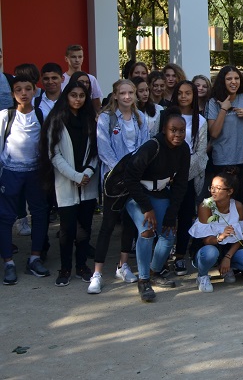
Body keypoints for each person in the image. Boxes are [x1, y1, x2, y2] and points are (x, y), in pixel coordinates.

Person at [88, 79, 151, 294]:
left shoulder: (140, 118)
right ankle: (97, 273)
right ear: (114, 95)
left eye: (130, 93)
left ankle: (122, 265)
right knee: (108, 224)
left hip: (134, 179)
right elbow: (104, 149)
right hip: (114, 181)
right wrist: (121, 172)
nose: (126, 97)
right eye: (122, 93)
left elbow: (144, 147)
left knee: (130, 223)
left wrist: (134, 173)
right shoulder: (106, 118)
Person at [122, 110, 191, 302]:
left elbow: (181, 184)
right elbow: (130, 177)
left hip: (161, 192)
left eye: (182, 130)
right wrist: (146, 208)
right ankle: (143, 280)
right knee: (146, 231)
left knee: (168, 233)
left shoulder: (184, 149)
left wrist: (172, 213)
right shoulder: (152, 146)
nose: (178, 134)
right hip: (137, 195)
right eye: (173, 130)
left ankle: (154, 271)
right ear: (164, 130)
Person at [42, 79, 98, 286]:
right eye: (74, 95)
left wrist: (89, 172)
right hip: (66, 182)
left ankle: (82, 266)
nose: (78, 99)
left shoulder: (90, 120)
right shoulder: (56, 120)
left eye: (82, 96)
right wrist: (75, 176)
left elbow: (95, 151)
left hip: (87, 184)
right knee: (67, 230)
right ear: (66, 96)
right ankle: (65, 268)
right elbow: (54, 155)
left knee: (84, 228)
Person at [0, 75, 50, 284]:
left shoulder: (41, 114)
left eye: (28, 89)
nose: (23, 93)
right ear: (13, 94)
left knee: (39, 214)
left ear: (34, 91)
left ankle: (35, 258)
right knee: (5, 217)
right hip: (10, 173)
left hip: (35, 173)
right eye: (18, 89)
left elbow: (48, 144)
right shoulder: (6, 115)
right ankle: (9, 263)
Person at [188, 172, 243, 293]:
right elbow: (206, 241)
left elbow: (240, 237)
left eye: (218, 188)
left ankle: (228, 267)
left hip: (229, 249)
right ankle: (202, 275)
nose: (213, 191)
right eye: (212, 187)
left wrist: (227, 257)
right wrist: (220, 237)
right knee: (211, 252)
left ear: (230, 191)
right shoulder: (205, 206)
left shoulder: (237, 206)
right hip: (208, 249)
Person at [169, 80, 209, 277]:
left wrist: (182, 175)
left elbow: (201, 153)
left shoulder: (200, 121)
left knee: (185, 217)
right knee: (166, 217)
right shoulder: (165, 116)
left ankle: (180, 256)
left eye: (188, 93)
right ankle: (162, 255)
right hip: (164, 176)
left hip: (187, 177)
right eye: (180, 93)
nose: (183, 96)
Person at [206, 65, 243, 203]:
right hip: (222, 161)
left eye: (236, 78)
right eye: (229, 79)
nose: (234, 82)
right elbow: (214, 133)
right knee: (222, 203)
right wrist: (223, 109)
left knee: (241, 203)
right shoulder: (213, 102)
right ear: (222, 81)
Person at [62, 45, 103, 113]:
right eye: (73, 57)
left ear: (83, 58)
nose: (77, 60)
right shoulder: (61, 80)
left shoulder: (91, 79)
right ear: (66, 59)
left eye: (80, 57)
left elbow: (97, 105)